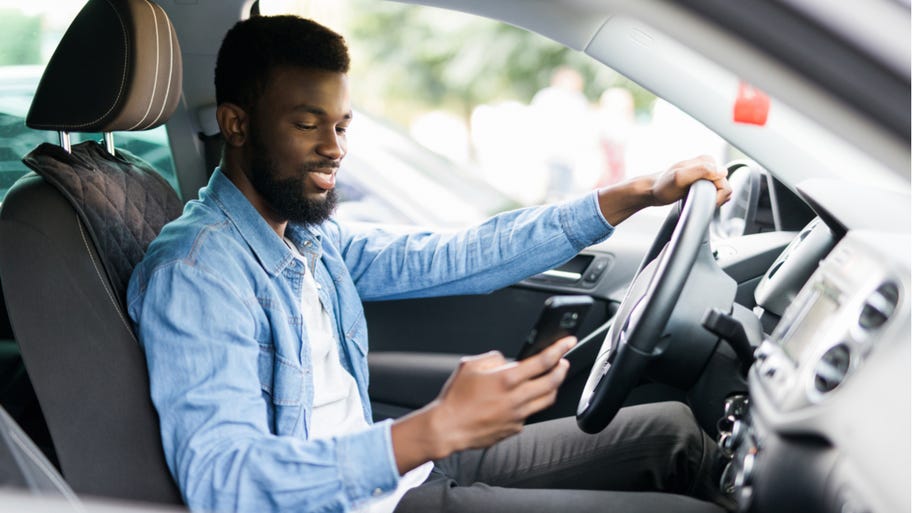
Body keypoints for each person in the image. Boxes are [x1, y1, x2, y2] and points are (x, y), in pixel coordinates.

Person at [127, 15, 733, 513]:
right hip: (361, 501)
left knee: (673, 432)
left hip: (400, 470)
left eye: (341, 126)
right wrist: (429, 430)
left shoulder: (308, 241)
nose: (334, 148)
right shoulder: (197, 272)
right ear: (236, 125)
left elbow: (460, 255)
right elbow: (222, 481)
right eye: (308, 124)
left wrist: (634, 194)